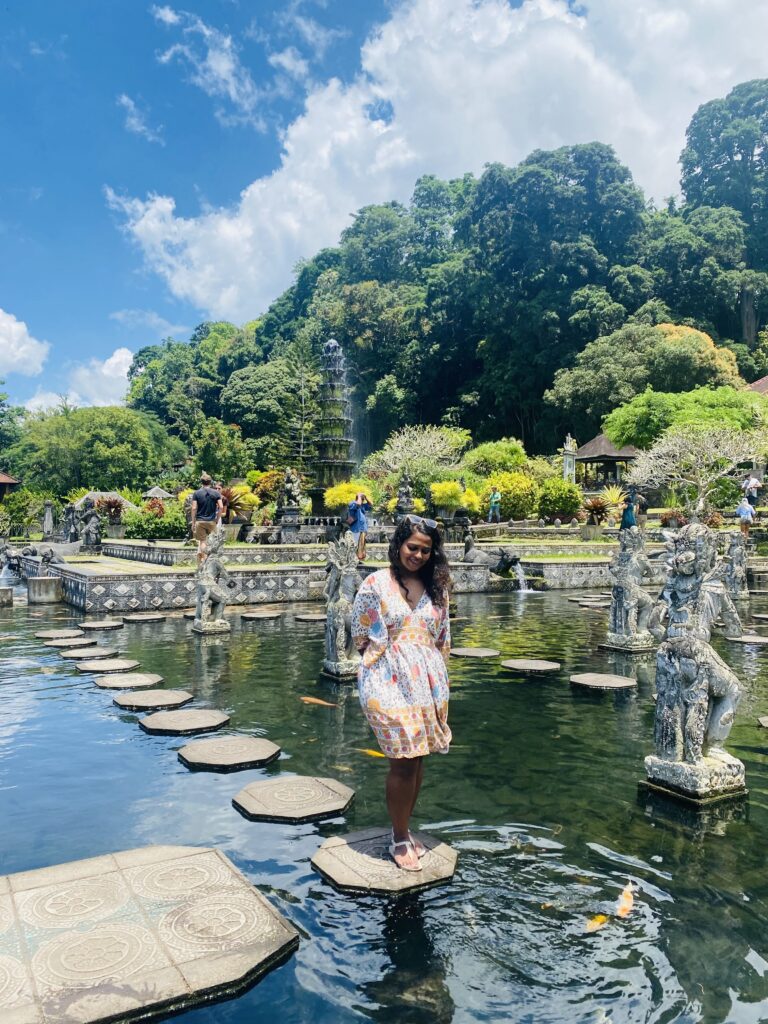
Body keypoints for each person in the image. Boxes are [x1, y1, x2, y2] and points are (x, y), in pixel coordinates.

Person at [352, 515, 452, 872]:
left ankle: (405, 828)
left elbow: (442, 639)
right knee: (403, 757)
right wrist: (381, 665)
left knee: (418, 756)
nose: (419, 555)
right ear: (398, 545)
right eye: (413, 547)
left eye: (426, 550)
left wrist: (438, 683)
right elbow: (359, 635)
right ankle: (398, 837)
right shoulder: (376, 583)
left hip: (428, 684)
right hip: (387, 680)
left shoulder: (437, 587)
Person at [190, 473, 224, 564]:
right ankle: (212, 560)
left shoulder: (196, 493)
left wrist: (193, 522)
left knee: (203, 541)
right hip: (212, 521)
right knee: (213, 541)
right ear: (210, 482)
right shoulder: (216, 492)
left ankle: (204, 560)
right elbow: (221, 507)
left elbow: (193, 508)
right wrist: (217, 518)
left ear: (201, 482)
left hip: (200, 521)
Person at [346, 491, 373, 560]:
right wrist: (359, 495)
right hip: (356, 528)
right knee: (355, 545)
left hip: (363, 528)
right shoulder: (352, 503)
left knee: (361, 545)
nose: (362, 498)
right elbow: (358, 504)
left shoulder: (362, 506)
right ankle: (352, 559)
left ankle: (358, 559)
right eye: (361, 497)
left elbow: (371, 504)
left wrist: (366, 497)